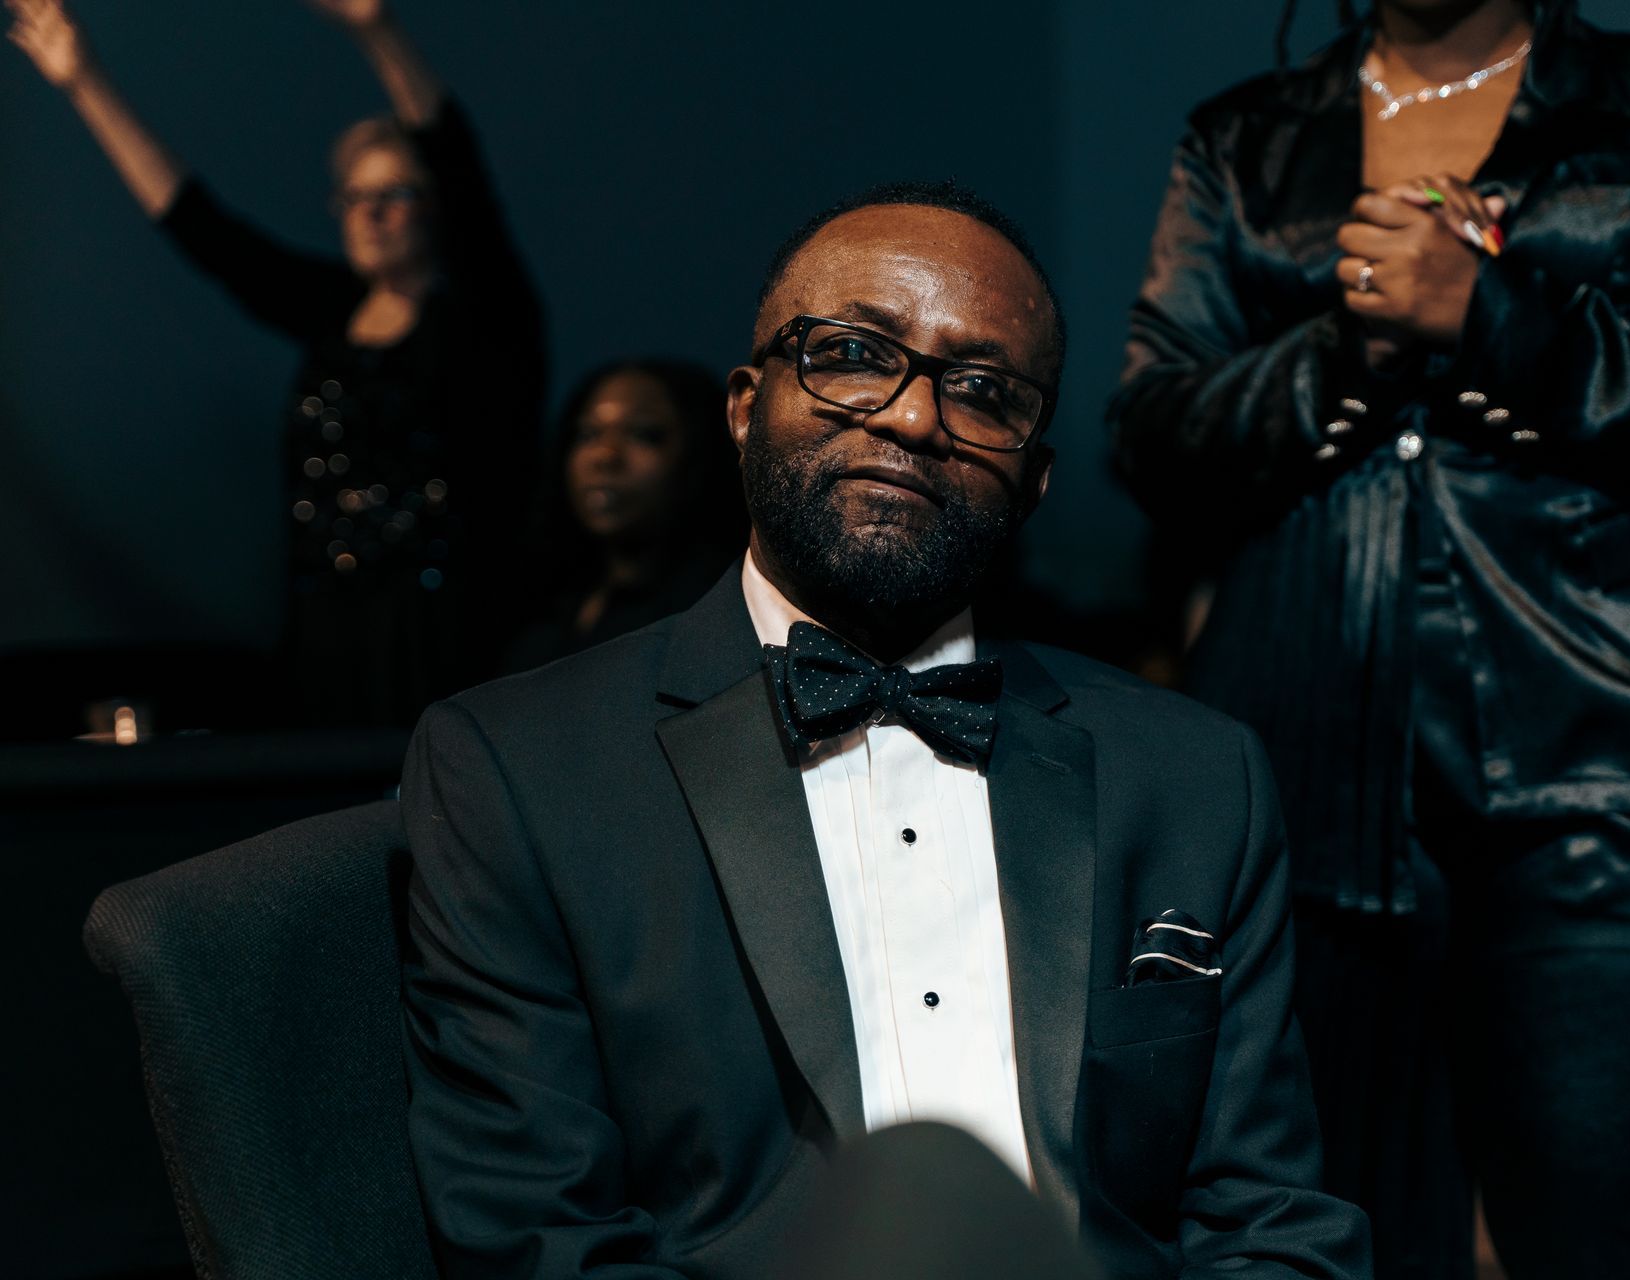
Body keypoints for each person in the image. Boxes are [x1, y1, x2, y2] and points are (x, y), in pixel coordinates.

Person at [401, 181, 1370, 1279]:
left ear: (1036, 478)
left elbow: (1270, 1221)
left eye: (984, 389)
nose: (915, 416)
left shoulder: (1195, 776)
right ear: (744, 405)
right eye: (856, 352)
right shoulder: (522, 767)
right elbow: (542, 1238)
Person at [1109, 1, 1630, 1277]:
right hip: (1300, 776)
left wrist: (1495, 314)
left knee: (1602, 1240)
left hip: (1611, 774)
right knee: (1328, 1234)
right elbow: (1152, 433)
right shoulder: (1246, 137)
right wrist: (1348, 347)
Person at [5, 0, 546, 726]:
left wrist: (375, 30)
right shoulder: (330, 312)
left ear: (436, 209)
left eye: (395, 194)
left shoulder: (488, 322)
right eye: (354, 196)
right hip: (325, 639)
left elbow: (457, 160)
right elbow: (203, 231)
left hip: (447, 642)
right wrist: (84, 83)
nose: (369, 213)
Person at [500, 359, 745, 675]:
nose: (605, 456)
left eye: (644, 435)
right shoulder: (540, 613)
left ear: (700, 455)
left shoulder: (721, 615)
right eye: (588, 434)